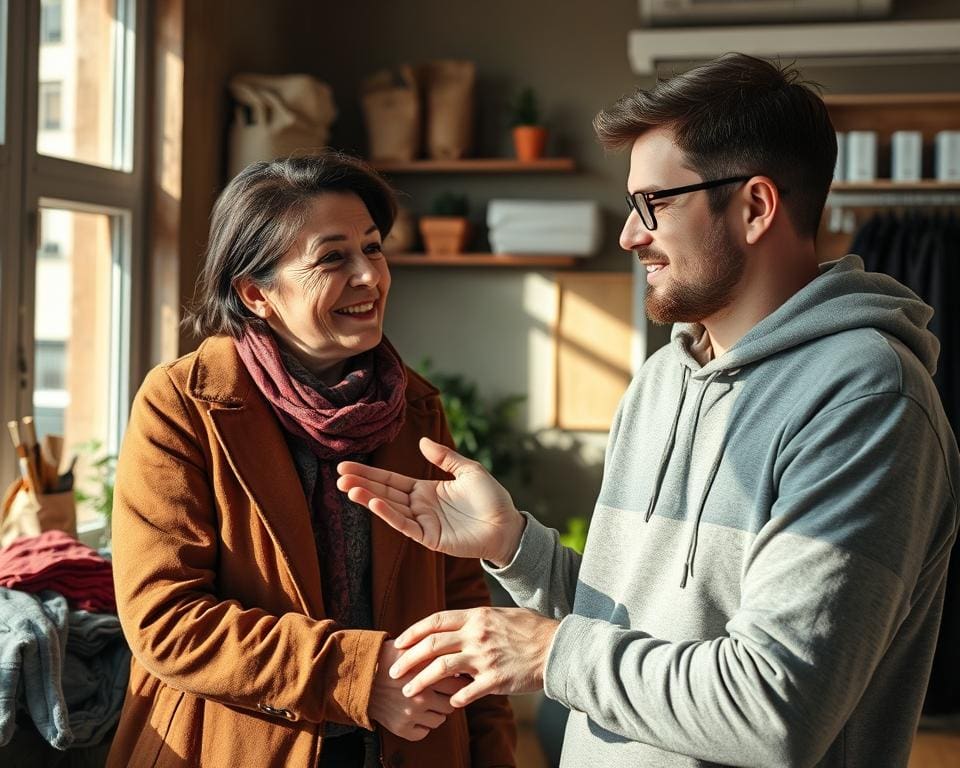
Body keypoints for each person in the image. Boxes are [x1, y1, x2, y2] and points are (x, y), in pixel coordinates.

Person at [337, 54, 960, 767]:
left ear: (755, 207)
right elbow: (637, 625)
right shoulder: (663, 378)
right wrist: (515, 546)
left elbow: (777, 708)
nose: (631, 235)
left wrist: (545, 653)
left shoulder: (867, 398)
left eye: (653, 204)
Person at [106, 153, 516, 768]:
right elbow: (165, 619)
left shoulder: (416, 406)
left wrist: (493, 756)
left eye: (373, 250)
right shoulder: (184, 405)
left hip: (411, 745)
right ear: (255, 293)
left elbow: (461, 605)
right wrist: (357, 676)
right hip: (234, 745)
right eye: (332, 258)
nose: (369, 277)